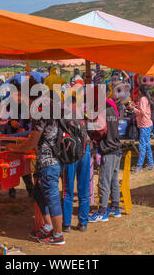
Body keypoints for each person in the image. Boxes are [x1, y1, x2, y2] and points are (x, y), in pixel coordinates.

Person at [7, 91, 65, 246]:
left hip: (49, 162)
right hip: (51, 160)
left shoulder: (41, 110)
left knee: (51, 197)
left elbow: (32, 142)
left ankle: (58, 235)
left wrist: (14, 148)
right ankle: (48, 226)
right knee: (39, 193)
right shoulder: (52, 106)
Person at [88, 86, 123, 222]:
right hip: (116, 149)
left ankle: (102, 212)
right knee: (113, 181)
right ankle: (115, 207)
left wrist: (89, 130)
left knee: (104, 181)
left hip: (108, 150)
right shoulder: (111, 108)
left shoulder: (102, 109)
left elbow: (101, 129)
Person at [62, 96, 91, 232]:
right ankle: (83, 223)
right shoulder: (83, 117)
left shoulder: (63, 118)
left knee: (68, 189)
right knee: (83, 188)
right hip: (85, 152)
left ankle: (67, 224)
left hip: (70, 155)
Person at [130, 85, 154, 172]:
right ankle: (151, 164)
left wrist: (134, 109)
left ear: (140, 91)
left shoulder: (142, 99)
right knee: (147, 145)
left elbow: (142, 112)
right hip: (147, 124)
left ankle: (139, 166)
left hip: (144, 125)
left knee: (142, 145)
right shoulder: (146, 98)